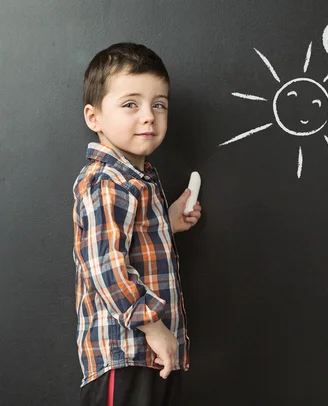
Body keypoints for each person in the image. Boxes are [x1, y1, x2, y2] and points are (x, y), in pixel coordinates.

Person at [72, 42, 201, 405]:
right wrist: (153, 325)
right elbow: (105, 267)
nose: (149, 115)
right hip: (125, 352)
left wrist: (166, 224)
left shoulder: (135, 179)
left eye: (159, 105)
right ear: (93, 117)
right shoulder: (106, 182)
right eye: (131, 104)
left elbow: (125, 243)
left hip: (148, 354)